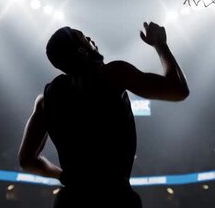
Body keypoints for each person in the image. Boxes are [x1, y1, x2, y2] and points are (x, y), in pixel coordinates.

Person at [18, 22, 189, 207]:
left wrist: (65, 176)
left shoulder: (46, 99)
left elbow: (27, 160)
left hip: (70, 200)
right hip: (115, 197)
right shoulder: (113, 74)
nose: (91, 39)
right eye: (84, 38)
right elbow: (178, 90)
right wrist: (160, 44)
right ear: (82, 52)